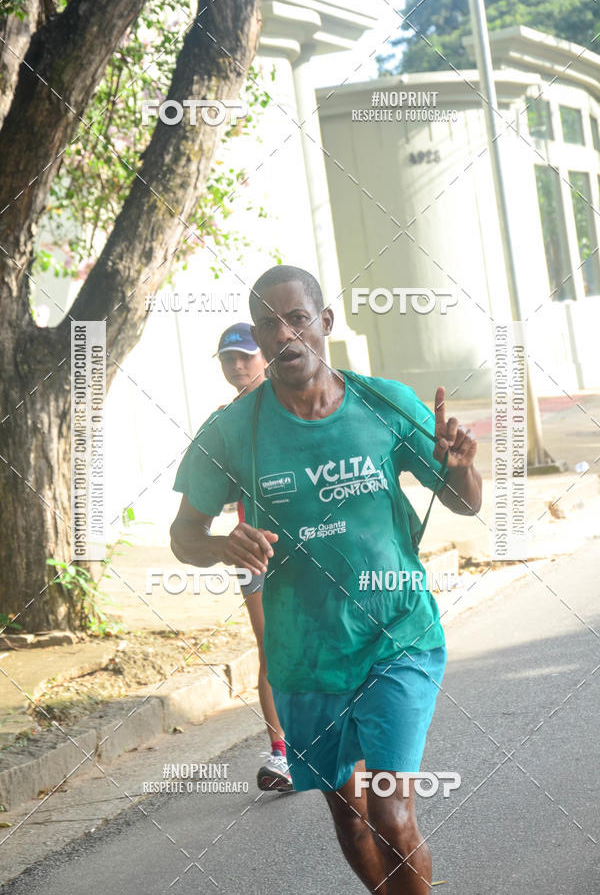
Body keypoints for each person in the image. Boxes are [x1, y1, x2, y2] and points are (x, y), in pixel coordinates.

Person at [171, 267, 482, 894]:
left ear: (326, 323)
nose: (284, 334)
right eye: (268, 323)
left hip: (397, 635)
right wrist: (216, 544)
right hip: (305, 659)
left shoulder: (385, 403)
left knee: (392, 813)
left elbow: (466, 503)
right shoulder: (232, 432)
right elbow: (183, 537)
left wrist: (460, 469)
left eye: (297, 318)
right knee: (352, 817)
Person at [214, 322, 292, 792]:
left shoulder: (291, 406)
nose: (238, 365)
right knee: (271, 649)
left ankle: (340, 735)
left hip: (307, 546)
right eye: (229, 358)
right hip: (254, 550)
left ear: (264, 356)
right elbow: (216, 493)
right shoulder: (224, 421)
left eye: (246, 355)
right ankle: (281, 753)